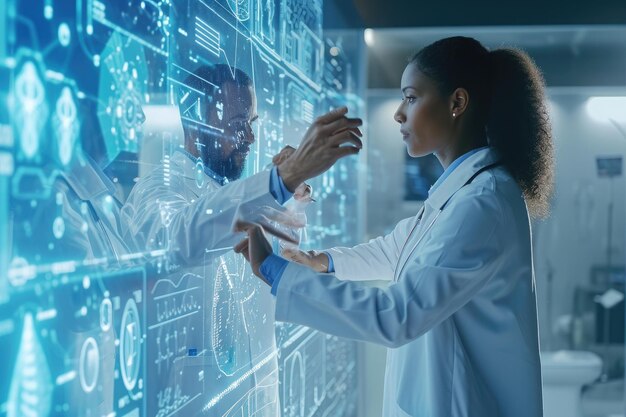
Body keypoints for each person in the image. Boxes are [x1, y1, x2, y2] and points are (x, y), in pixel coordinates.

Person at [237, 36, 554, 417]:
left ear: (457, 103)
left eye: (411, 97)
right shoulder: (462, 191)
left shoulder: (482, 202)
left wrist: (273, 270)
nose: (399, 114)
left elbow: (396, 316)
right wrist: (319, 260)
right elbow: (395, 250)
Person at [121, 64, 362, 415]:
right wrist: (282, 179)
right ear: (193, 124)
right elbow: (178, 237)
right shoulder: (159, 189)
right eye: (236, 126)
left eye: (251, 124)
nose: (249, 138)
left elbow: (285, 255)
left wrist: (291, 192)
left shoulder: (231, 191)